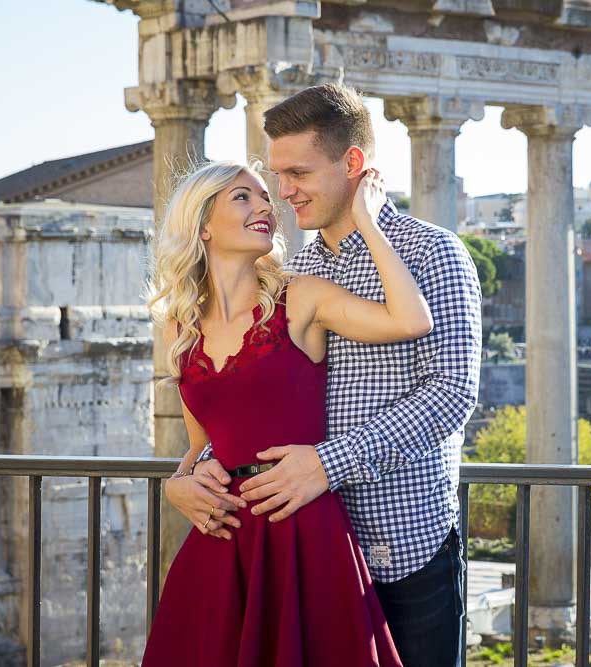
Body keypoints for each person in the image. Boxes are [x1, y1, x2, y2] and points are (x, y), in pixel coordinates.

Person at [167, 84, 483, 666]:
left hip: (402, 549)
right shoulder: (291, 273)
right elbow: (244, 403)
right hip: (298, 550)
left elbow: (451, 395)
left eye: (298, 173)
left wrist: (326, 464)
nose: (284, 193)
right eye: (275, 176)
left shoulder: (433, 253)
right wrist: (186, 475)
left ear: (353, 164)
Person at [141, 158, 428, 665]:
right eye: (242, 197)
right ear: (202, 225)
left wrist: (368, 220)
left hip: (302, 530)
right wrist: (175, 485)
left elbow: (410, 320)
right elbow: (202, 445)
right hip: (222, 542)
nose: (265, 206)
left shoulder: (300, 298)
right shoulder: (179, 329)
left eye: (264, 197)